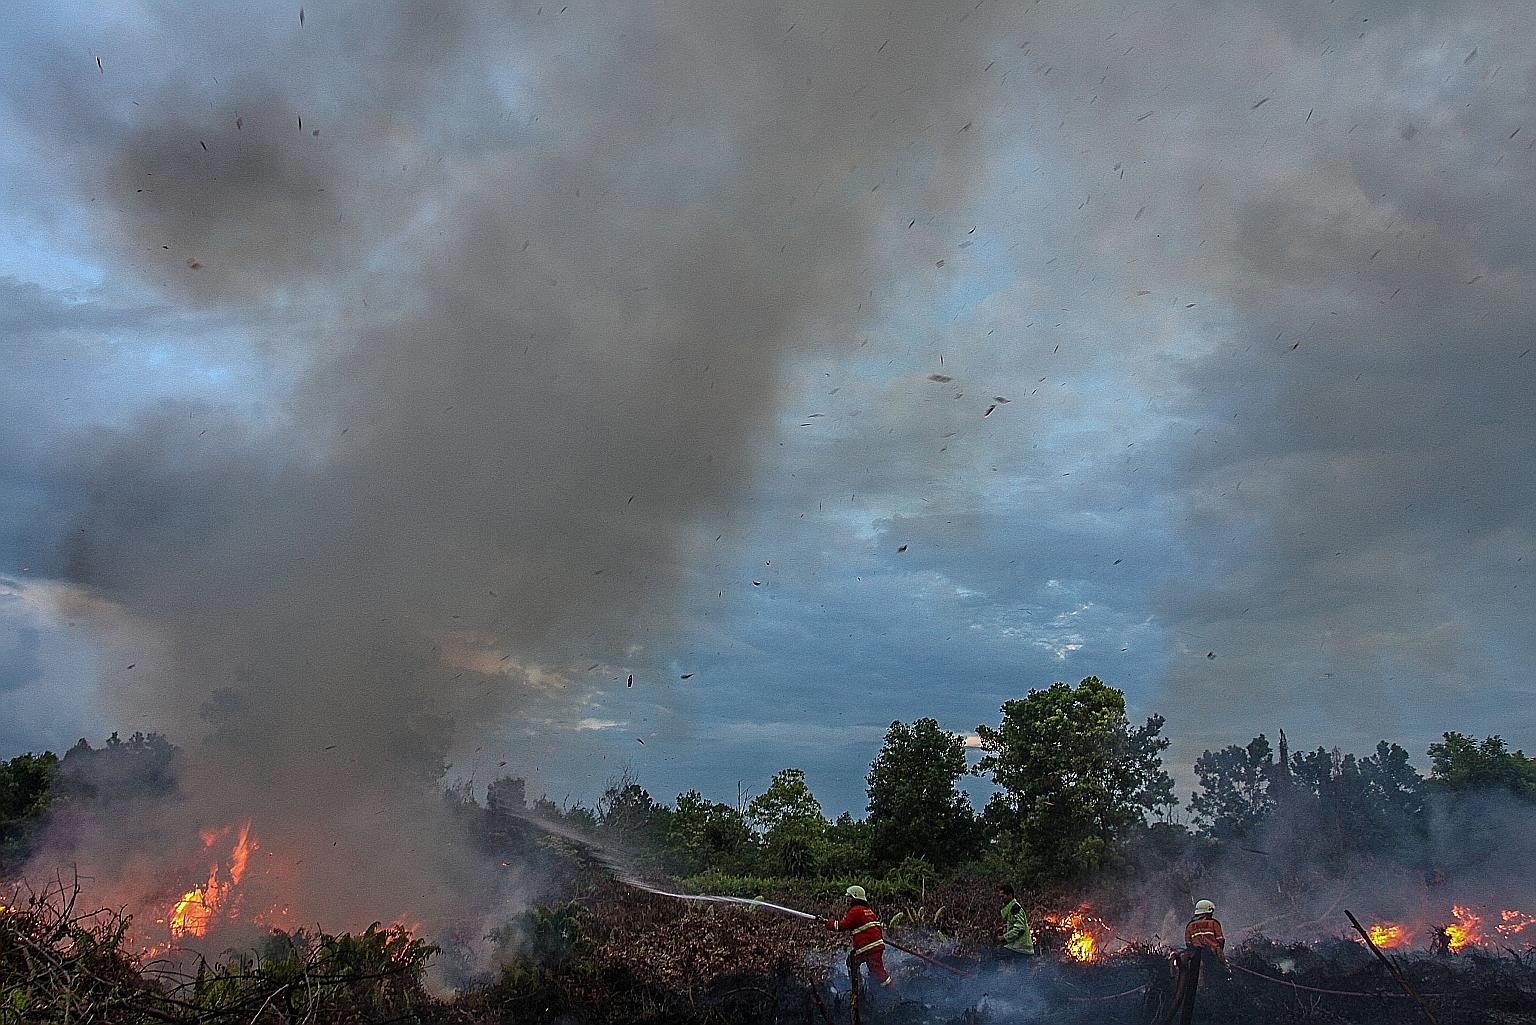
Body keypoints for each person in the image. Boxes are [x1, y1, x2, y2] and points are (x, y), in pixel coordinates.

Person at [826, 885, 892, 989]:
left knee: (878, 973)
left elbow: (842, 926)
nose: (848, 901)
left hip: (869, 948)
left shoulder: (856, 910)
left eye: (850, 898)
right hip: (870, 947)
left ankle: (890, 991)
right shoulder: (867, 910)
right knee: (852, 962)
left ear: (855, 897)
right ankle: (859, 989)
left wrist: (826, 922)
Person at [997, 884, 1036, 957]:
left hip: (1021, 948)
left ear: (1010, 895)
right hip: (1017, 947)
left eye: (1003, 896)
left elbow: (1020, 929)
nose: (1001, 899)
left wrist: (1004, 937)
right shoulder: (1011, 908)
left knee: (995, 956)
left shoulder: (1015, 908)